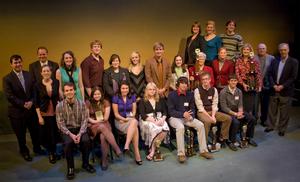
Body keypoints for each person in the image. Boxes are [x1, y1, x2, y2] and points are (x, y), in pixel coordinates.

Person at [3, 55, 42, 161]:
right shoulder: (7, 79)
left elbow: (35, 91)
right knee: (21, 134)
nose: (18, 64)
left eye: (19, 62)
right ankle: (24, 151)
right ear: (11, 64)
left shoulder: (29, 75)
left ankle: (37, 148)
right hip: (17, 112)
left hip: (31, 110)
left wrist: (32, 102)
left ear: (22, 62)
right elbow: (9, 96)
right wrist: (23, 104)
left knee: (35, 132)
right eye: (15, 63)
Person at [168, 76, 213, 163]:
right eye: (182, 83)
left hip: (187, 117)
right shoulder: (172, 95)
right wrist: (182, 114)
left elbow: (192, 108)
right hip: (175, 118)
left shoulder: (190, 94)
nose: (184, 85)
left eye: (186, 83)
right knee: (180, 127)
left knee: (200, 125)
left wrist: (191, 115)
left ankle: (203, 151)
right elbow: (171, 111)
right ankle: (181, 154)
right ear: (178, 84)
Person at [56, 82, 95, 180]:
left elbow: (85, 120)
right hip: (67, 130)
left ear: (74, 91)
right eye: (66, 91)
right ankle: (70, 168)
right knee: (68, 143)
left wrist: (80, 133)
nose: (69, 92)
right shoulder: (59, 106)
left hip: (80, 128)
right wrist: (72, 135)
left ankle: (85, 164)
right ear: (64, 93)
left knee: (86, 141)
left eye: (71, 90)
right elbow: (60, 124)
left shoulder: (82, 104)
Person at [265, 43, 299, 136]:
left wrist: (283, 86)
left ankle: (282, 128)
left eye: (284, 49)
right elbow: (270, 74)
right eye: (281, 50)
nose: (283, 51)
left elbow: (293, 77)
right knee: (272, 110)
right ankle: (270, 126)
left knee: (284, 112)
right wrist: (273, 85)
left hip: (286, 91)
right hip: (274, 89)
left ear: (288, 50)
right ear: (279, 51)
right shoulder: (275, 61)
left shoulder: (293, 62)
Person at [85, 87, 122, 171]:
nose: (97, 96)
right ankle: (116, 148)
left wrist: (100, 121)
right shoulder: (88, 102)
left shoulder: (105, 102)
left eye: (98, 94)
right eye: (95, 94)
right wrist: (95, 122)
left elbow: (106, 118)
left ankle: (104, 160)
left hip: (104, 123)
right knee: (101, 127)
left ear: (101, 94)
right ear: (92, 95)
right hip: (93, 125)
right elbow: (87, 118)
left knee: (103, 136)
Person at [219, 74, 257, 151]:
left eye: (235, 81)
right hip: (227, 112)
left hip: (237, 111)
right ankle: (231, 141)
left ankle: (248, 138)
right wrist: (235, 114)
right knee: (236, 122)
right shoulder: (223, 92)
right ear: (228, 82)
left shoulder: (239, 91)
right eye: (232, 81)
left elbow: (240, 104)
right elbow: (223, 107)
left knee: (252, 118)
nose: (233, 82)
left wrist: (240, 112)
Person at [194, 72, 232, 147]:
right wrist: (210, 118)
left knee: (228, 118)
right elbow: (200, 107)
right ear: (201, 81)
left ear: (210, 80)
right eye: (203, 79)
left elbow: (215, 104)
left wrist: (213, 116)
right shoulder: (197, 90)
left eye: (207, 79)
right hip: (202, 112)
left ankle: (222, 138)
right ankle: (204, 143)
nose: (205, 81)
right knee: (207, 122)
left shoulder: (214, 90)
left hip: (212, 111)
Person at [112, 81, 142, 165]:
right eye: (123, 88)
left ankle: (127, 144)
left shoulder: (132, 97)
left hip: (130, 119)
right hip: (119, 121)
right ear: (120, 89)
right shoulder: (115, 97)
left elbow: (134, 112)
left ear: (129, 89)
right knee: (135, 125)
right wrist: (123, 119)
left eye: (126, 88)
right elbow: (116, 114)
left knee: (134, 122)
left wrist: (128, 119)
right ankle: (137, 154)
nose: (125, 90)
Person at [34, 65, 60, 163]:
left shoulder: (56, 82)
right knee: (47, 135)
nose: (46, 72)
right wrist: (39, 117)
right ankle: (51, 153)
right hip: (44, 113)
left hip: (55, 112)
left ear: (51, 72)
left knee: (54, 133)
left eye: (47, 71)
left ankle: (55, 151)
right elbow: (36, 102)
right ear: (41, 73)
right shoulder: (37, 85)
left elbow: (58, 96)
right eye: (44, 71)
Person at [139, 82, 169, 161]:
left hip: (159, 118)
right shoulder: (142, 100)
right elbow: (143, 115)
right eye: (150, 89)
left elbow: (165, 111)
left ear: (156, 90)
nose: (152, 91)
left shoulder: (160, 99)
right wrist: (154, 121)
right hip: (148, 119)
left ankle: (153, 147)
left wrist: (162, 119)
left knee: (165, 128)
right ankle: (152, 151)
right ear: (147, 90)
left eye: (154, 89)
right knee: (153, 128)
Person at [235, 43, 262, 115]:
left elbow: (258, 73)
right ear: (242, 50)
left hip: (251, 84)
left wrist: (259, 85)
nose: (246, 51)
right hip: (240, 84)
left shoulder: (254, 60)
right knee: (240, 104)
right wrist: (243, 84)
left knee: (249, 105)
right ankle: (242, 122)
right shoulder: (238, 60)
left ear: (250, 51)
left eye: (247, 49)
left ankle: (249, 121)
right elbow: (237, 73)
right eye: (244, 49)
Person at [254, 43, 275, 126]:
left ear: (266, 49)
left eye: (263, 48)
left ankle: (264, 119)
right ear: (257, 49)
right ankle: (254, 119)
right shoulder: (253, 57)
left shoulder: (271, 58)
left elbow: (273, 72)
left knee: (265, 103)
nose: (261, 50)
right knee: (255, 104)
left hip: (266, 85)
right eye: (260, 48)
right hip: (255, 84)